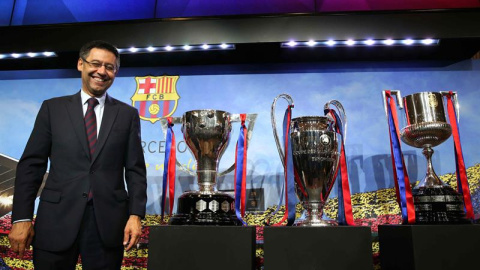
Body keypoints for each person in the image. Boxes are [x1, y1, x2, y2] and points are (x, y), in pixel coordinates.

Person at [8, 40, 147, 269]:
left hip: (107, 225)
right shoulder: (52, 109)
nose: (102, 71)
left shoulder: (127, 115)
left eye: (109, 67)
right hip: (55, 221)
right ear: (80, 64)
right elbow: (32, 166)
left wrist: (135, 215)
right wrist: (21, 217)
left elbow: (135, 170)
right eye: (95, 63)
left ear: (116, 72)